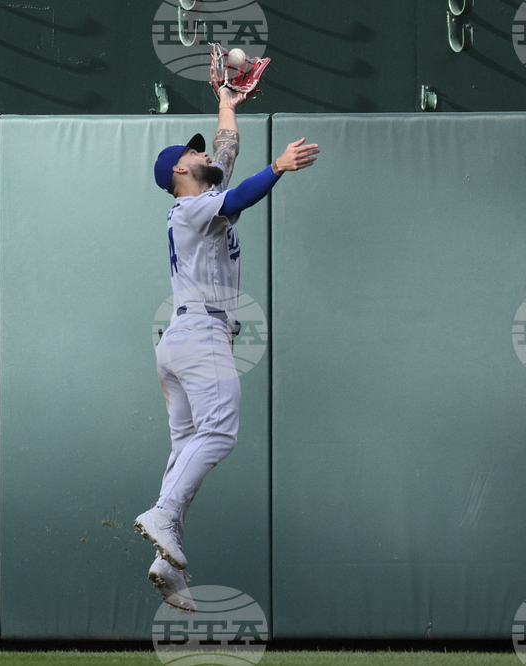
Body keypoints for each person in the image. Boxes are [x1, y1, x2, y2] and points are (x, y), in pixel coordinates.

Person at [135, 87, 319, 613]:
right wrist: (280, 166)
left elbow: (226, 153)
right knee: (219, 432)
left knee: (185, 451)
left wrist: (228, 101)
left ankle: (168, 564)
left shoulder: (203, 197)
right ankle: (162, 514)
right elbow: (237, 196)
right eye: (193, 153)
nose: (203, 154)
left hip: (180, 342)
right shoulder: (190, 208)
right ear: (178, 174)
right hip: (201, 338)